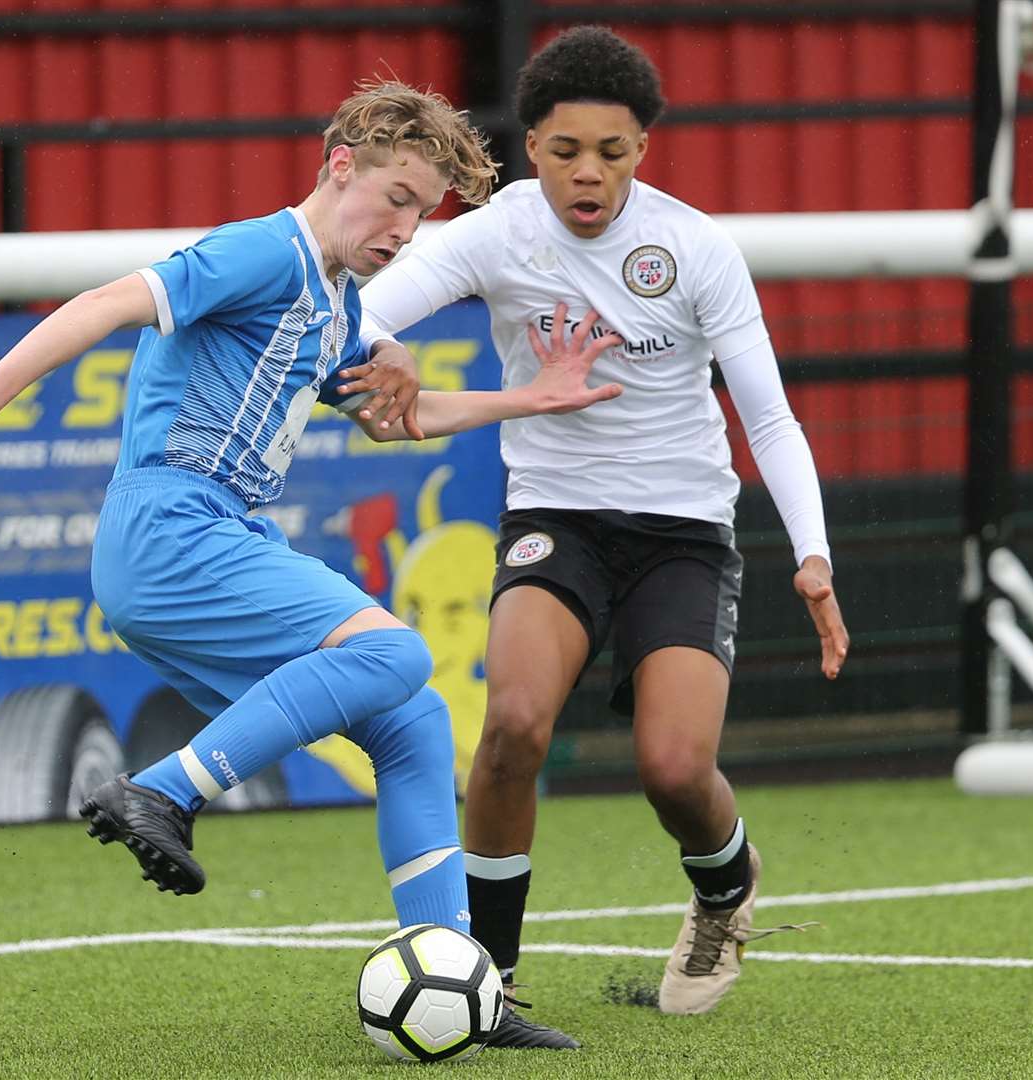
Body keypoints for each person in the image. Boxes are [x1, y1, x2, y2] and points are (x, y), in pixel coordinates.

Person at [0, 81, 621, 953]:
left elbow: (402, 418)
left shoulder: (337, 301)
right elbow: (106, 303)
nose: (404, 230)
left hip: (211, 538)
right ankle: (164, 790)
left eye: (421, 214)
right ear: (340, 166)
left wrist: (529, 397)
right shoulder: (264, 252)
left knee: (413, 720)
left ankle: (460, 975)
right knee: (396, 649)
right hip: (172, 527)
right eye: (396, 199)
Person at [354, 29, 850, 1044]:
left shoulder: (697, 247)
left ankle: (724, 890)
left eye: (613, 153)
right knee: (511, 730)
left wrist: (812, 553)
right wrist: (387, 344)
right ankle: (485, 978)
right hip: (556, 522)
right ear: (530, 146)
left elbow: (767, 415)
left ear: (643, 152)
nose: (590, 173)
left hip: (682, 534)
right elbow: (358, 308)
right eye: (567, 149)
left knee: (673, 771)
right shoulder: (492, 235)